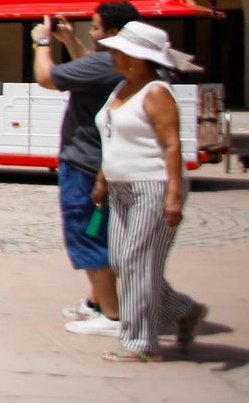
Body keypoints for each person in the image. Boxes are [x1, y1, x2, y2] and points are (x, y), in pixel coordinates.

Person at [89, 21, 207, 362]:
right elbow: (112, 137)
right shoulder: (122, 89)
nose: (110, 55)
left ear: (135, 57)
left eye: (116, 50)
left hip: (152, 186)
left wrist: (172, 195)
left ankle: (140, 344)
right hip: (120, 185)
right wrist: (102, 178)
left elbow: (171, 145)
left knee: (137, 262)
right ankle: (184, 310)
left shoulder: (156, 92)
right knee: (120, 261)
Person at [32, 1, 138, 338]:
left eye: (94, 28)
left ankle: (112, 314)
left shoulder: (107, 64)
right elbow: (88, 70)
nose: (91, 33)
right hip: (107, 161)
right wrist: (70, 42)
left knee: (87, 233)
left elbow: (46, 77)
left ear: (114, 32)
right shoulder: (127, 64)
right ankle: (97, 303)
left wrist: (42, 42)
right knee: (101, 231)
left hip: (84, 164)